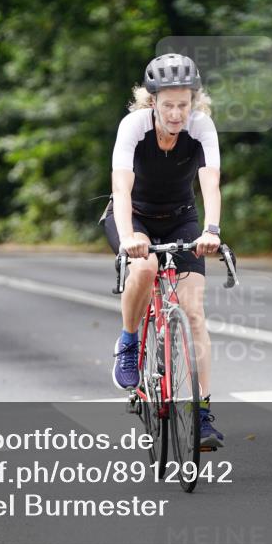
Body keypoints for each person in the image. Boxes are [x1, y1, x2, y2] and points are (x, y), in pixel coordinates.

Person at [102, 53, 225, 449]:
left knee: (194, 311)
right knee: (144, 267)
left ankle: (201, 414)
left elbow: (210, 185)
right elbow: (121, 189)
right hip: (133, 216)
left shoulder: (202, 127)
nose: (176, 113)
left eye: (183, 104)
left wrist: (211, 230)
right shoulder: (133, 126)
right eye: (167, 104)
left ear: (194, 101)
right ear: (151, 100)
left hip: (181, 218)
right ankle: (129, 340)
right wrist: (128, 238)